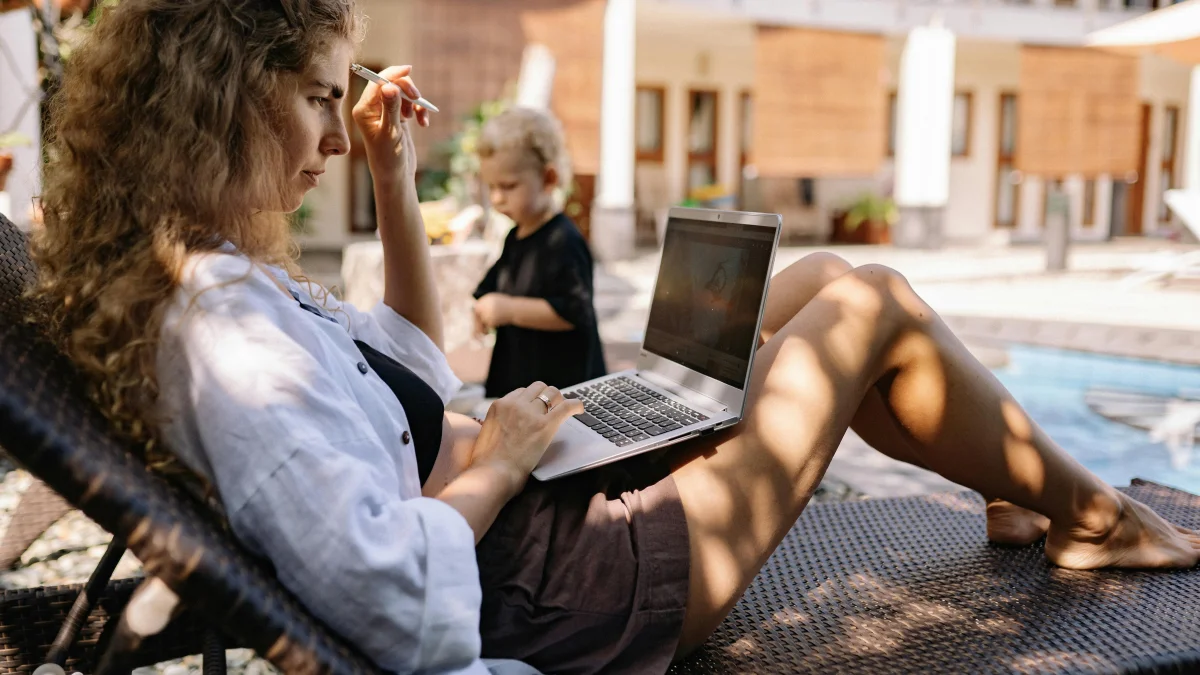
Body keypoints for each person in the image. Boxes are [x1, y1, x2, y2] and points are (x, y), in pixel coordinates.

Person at [29, 1, 1200, 674]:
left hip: (542, 514)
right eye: (320, 100)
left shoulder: (219, 285)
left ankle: (1023, 490)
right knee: (873, 302)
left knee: (832, 275)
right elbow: (378, 582)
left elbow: (412, 371)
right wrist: (498, 466)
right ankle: (1098, 519)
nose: (334, 134)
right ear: (224, 94)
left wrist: (393, 175)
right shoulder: (223, 333)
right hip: (575, 583)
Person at [471, 107, 606, 398]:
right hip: (523, 380)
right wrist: (482, 308)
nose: (496, 198)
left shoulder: (564, 242)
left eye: (508, 186)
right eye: (491, 186)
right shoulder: (515, 237)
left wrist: (508, 309)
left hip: (561, 390)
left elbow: (573, 311)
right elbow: (491, 288)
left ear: (548, 179)